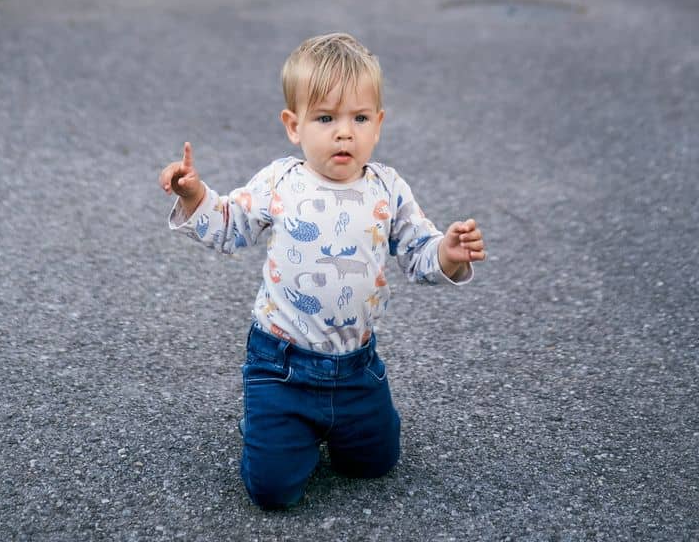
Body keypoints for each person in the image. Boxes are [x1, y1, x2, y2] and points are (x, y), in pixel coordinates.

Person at [158, 31, 485, 510]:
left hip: (356, 366)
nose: (344, 132)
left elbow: (418, 251)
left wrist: (449, 254)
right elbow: (229, 224)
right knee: (273, 492)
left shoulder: (387, 189)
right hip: (282, 365)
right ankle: (270, 424)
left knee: (375, 464)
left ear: (378, 124)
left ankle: (331, 427)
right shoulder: (282, 181)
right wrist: (193, 195)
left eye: (359, 118)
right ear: (294, 125)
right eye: (326, 118)